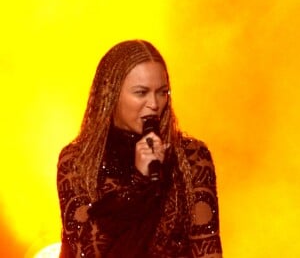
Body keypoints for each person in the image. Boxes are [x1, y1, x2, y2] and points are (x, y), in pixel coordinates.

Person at [57, 39, 223, 257]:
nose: (154, 104)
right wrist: (138, 184)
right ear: (111, 94)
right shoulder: (79, 160)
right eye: (141, 92)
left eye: (162, 92)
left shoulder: (191, 156)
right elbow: (85, 249)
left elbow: (207, 248)